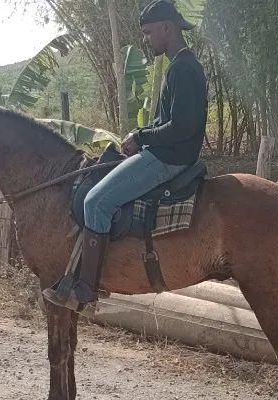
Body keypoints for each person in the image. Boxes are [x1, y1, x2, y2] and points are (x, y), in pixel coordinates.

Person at [43, 0, 208, 311]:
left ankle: (87, 289)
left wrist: (141, 136)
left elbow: (182, 126)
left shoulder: (183, 69)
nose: (146, 40)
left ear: (166, 29)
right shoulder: (182, 65)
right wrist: (143, 134)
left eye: (148, 33)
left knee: (95, 201)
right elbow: (170, 122)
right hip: (168, 153)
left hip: (168, 160)